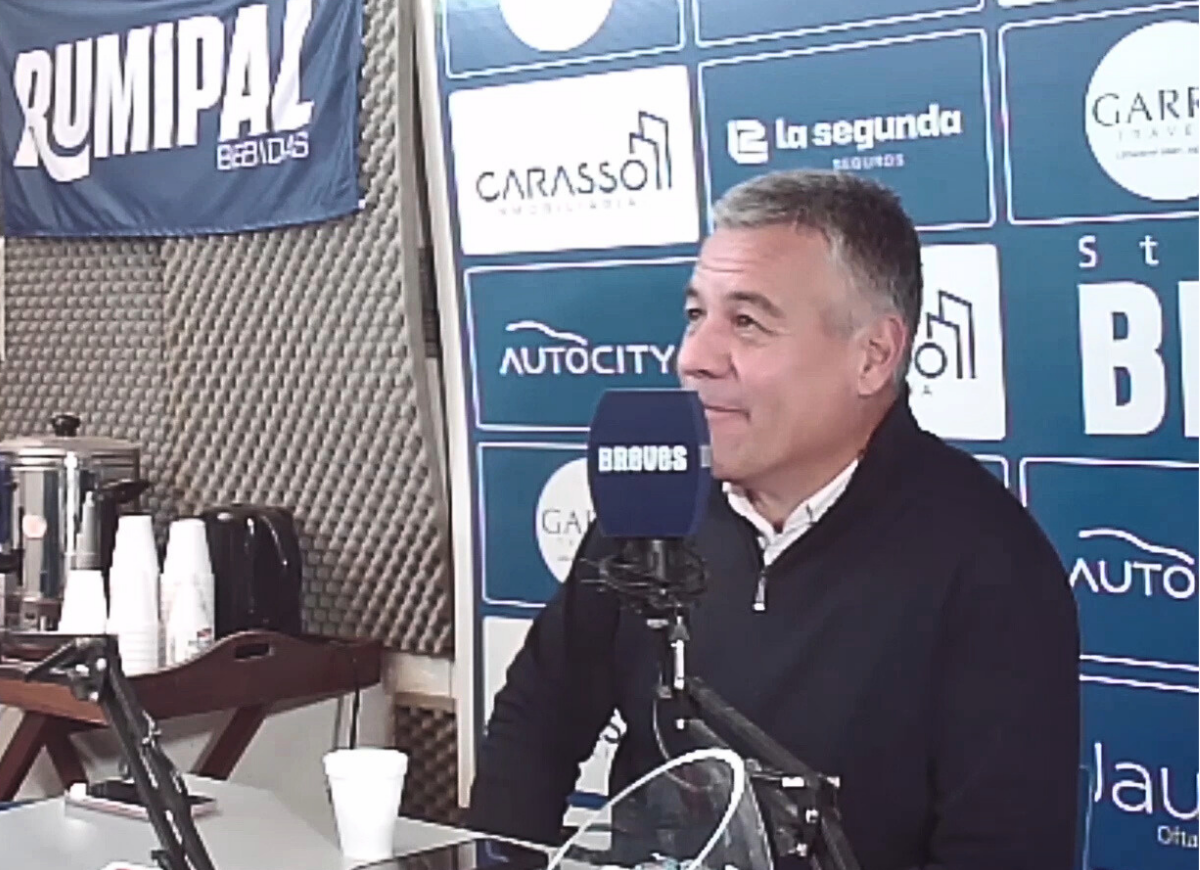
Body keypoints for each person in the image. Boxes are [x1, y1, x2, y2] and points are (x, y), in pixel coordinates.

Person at [465, 169, 1081, 870]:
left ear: (873, 356)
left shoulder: (990, 566)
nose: (693, 358)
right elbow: (536, 723)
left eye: (747, 323)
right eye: (695, 314)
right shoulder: (653, 499)